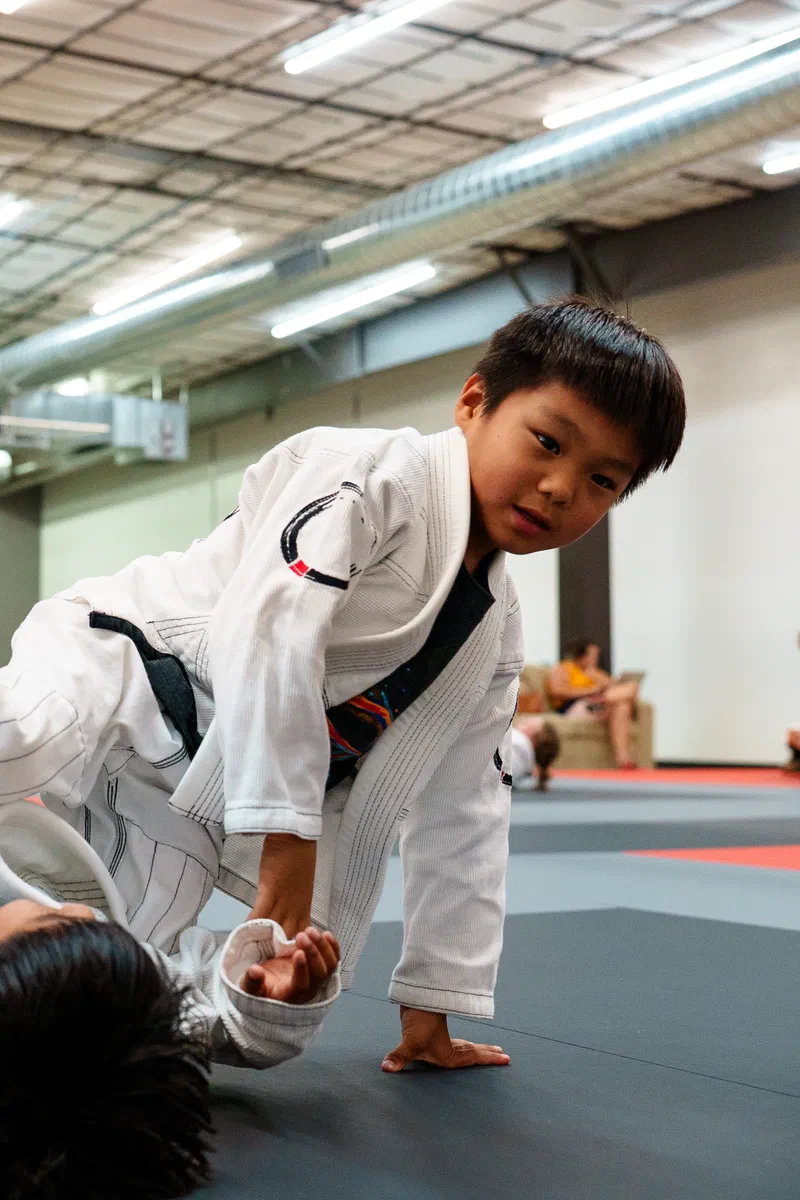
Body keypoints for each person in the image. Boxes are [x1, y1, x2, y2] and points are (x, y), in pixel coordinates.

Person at [0, 298, 686, 1115]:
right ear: (473, 403)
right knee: (17, 735)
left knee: (133, 1000)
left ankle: (213, 986)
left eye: (602, 480)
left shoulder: (492, 636)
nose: (561, 486)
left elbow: (467, 809)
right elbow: (271, 630)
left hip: (187, 796)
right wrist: (290, 844)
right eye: (547, 441)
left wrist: (433, 1002)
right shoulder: (362, 472)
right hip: (113, 669)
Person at [0, 795, 340, 1200]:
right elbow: (209, 1019)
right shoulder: (111, 990)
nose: (77, 911)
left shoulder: (54, 986)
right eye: (58, 916)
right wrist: (264, 1006)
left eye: (53, 916)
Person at [547, 640, 641, 769]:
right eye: (592, 655)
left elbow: (612, 685)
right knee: (626, 694)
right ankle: (603, 699)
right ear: (582, 655)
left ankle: (624, 761)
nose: (595, 659)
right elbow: (557, 691)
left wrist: (596, 678)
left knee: (623, 705)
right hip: (574, 707)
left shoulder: (594, 672)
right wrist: (591, 690)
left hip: (596, 705)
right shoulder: (564, 668)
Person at [510, 718, 561, 792]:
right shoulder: (522, 768)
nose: (522, 724)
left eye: (526, 724)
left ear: (534, 739)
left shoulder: (518, 740)